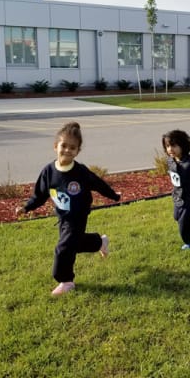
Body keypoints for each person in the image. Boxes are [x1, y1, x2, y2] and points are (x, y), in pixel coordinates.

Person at [17, 121, 121, 296]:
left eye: (72, 148)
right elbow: (40, 194)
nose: (67, 150)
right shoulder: (49, 171)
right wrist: (26, 207)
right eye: (63, 146)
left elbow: (98, 184)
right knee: (73, 244)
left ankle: (66, 281)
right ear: (55, 146)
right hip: (63, 216)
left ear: (77, 151)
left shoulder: (80, 172)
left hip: (78, 215)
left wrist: (114, 195)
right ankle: (99, 242)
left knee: (63, 248)